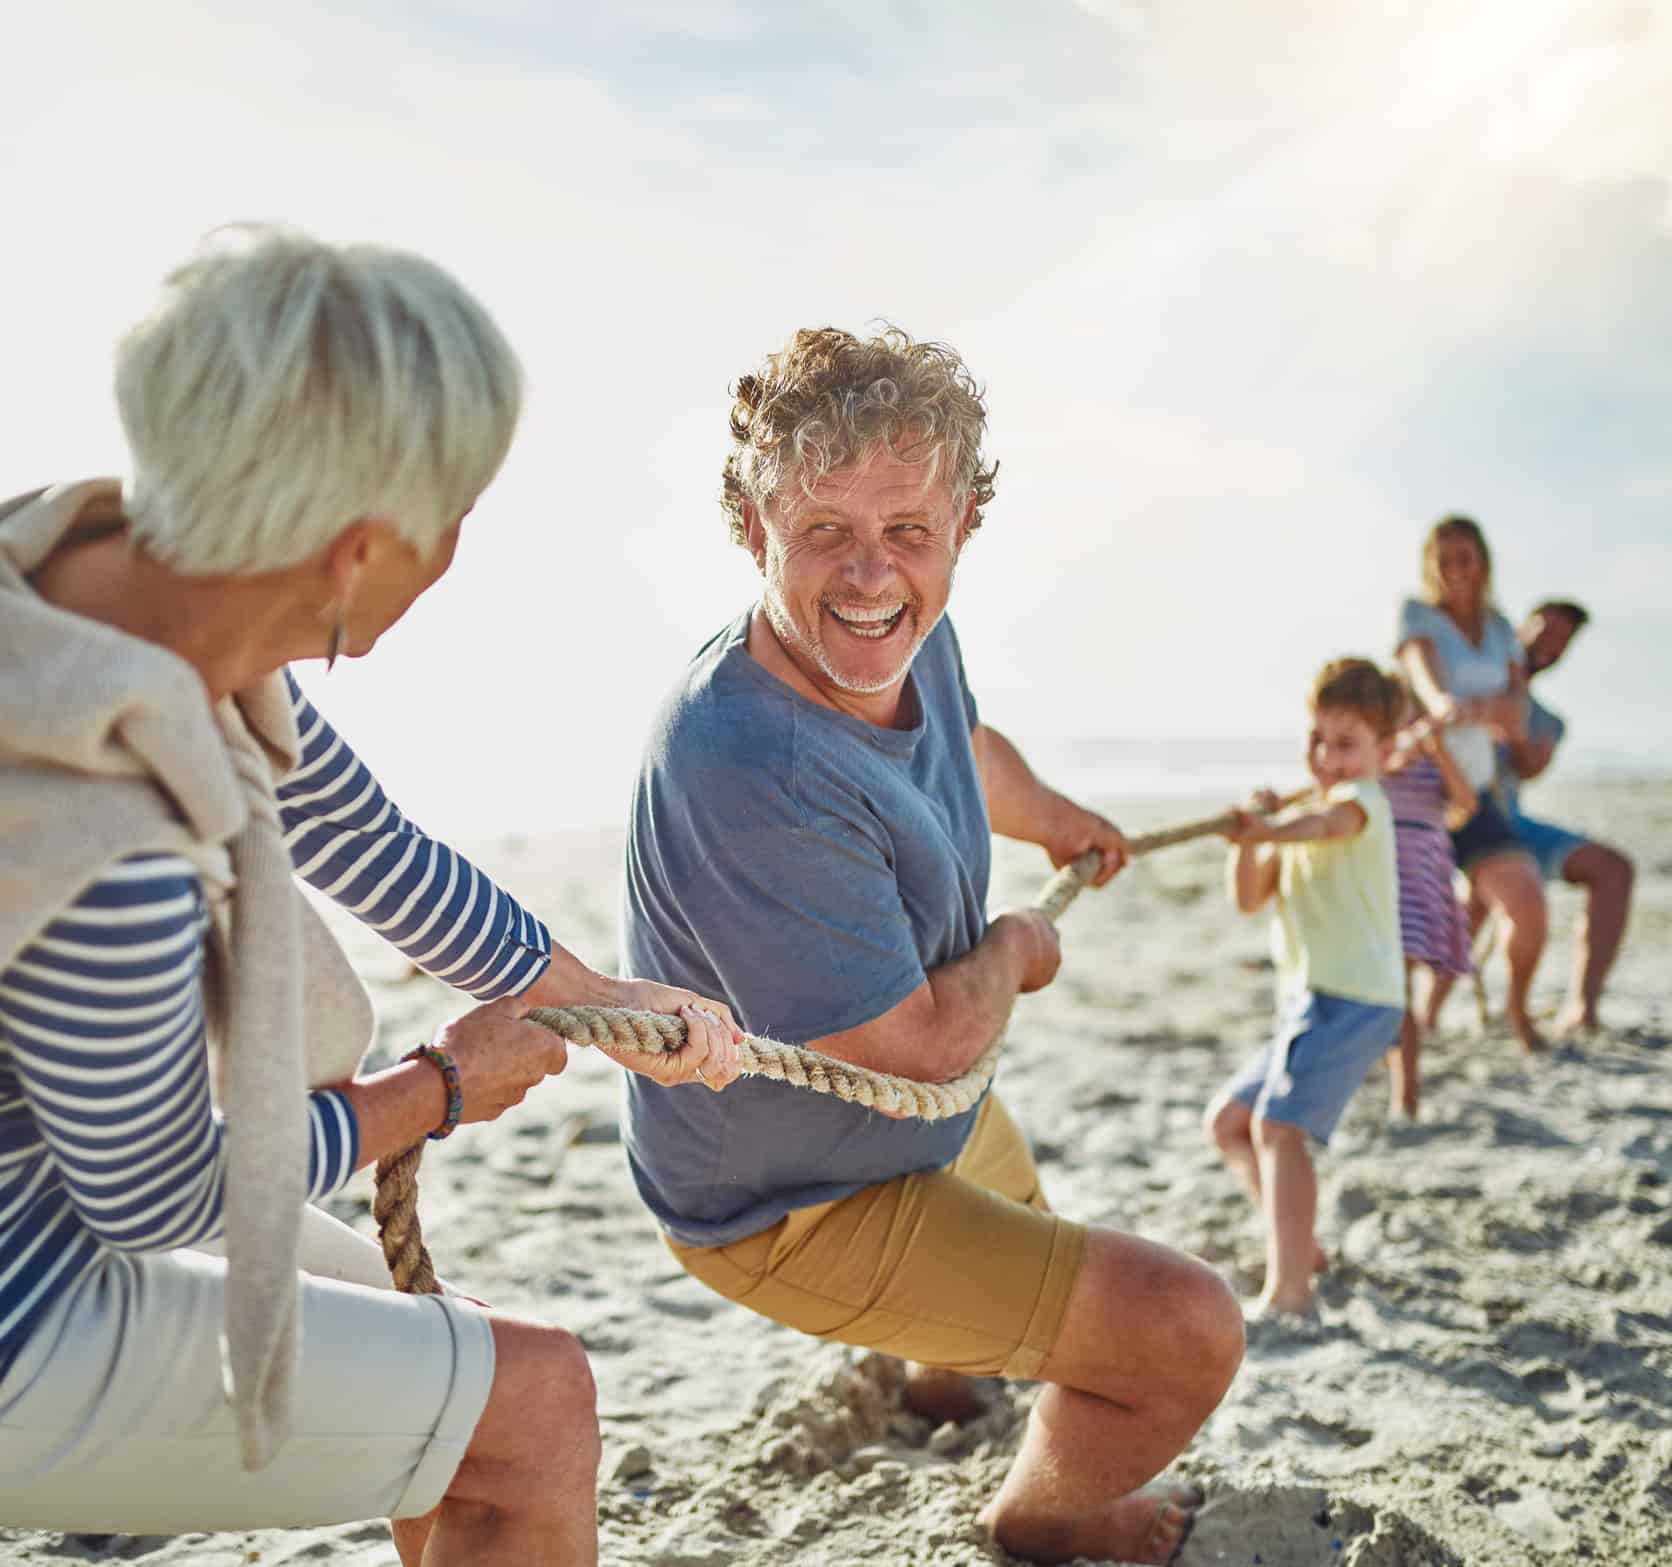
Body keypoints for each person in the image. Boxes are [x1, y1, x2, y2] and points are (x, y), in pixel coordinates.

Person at [0, 228, 747, 1566]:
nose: (459, 543)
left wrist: (600, 1001)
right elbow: (160, 1193)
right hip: (25, 1293)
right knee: (536, 1404)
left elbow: (362, 835)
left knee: (436, 1336)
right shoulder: (103, 824)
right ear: (355, 552)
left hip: (43, 1189)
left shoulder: (106, 576)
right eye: (453, 515)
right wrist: (436, 1089)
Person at [620, 327, 1244, 1567]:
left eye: (908, 530)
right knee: (1185, 1331)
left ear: (961, 523)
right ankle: (1040, 1517)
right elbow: (910, 1048)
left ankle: (940, 1386)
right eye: (822, 533)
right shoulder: (745, 754)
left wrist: (1055, 818)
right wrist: (1013, 947)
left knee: (1012, 1195)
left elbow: (962, 738)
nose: (869, 575)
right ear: (753, 529)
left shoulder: (907, 629)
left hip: (928, 1103)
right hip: (782, 1203)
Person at [1204, 658, 1405, 1318]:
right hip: (1309, 1000)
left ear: (1383, 751)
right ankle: (1299, 1246)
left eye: (1345, 744)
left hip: (1353, 995)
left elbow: (1327, 825)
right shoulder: (1300, 816)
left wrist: (1273, 828)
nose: (1326, 757)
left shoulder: (1360, 804)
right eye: (1317, 739)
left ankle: (1289, 1290)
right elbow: (1247, 897)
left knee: (1278, 1127)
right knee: (1231, 1123)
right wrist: (1249, 839)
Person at [1394, 514, 1549, 1054]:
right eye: (1444, 558)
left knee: (1525, 902)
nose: (1456, 569)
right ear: (1430, 567)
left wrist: (1472, 710)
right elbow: (1425, 681)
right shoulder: (1418, 617)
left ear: (1484, 562)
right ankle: (1413, 1027)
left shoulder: (1501, 628)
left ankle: (1517, 1010)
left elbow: (1518, 715)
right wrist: (1447, 707)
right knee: (1419, 924)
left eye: (1466, 556)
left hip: (1475, 792)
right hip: (1419, 791)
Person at [1498, 600, 1634, 1035]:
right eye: (1546, 630)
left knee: (1614, 870)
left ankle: (1582, 1008)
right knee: (1488, 876)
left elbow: (1527, 768)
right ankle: (1426, 1016)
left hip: (1510, 826)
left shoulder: (1549, 722)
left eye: (1563, 641)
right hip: (1453, 824)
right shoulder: (1468, 679)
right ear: (1522, 627)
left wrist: (1514, 703)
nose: (1551, 644)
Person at [1378, 688, 1478, 1119]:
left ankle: (1408, 1082)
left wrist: (1436, 750)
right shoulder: (1379, 760)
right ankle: (1406, 1091)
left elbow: (1466, 804)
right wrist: (1401, 749)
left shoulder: (1434, 760)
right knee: (1394, 990)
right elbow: (1383, 767)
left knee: (1419, 979)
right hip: (1385, 878)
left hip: (1423, 874)